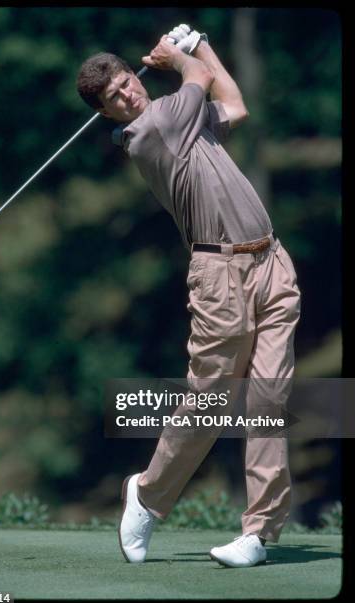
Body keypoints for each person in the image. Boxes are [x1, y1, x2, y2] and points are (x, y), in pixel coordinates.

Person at [77, 24, 301, 567]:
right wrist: (180, 55)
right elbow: (200, 80)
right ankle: (148, 496)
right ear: (108, 114)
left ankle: (259, 533)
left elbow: (235, 104)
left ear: (135, 75)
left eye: (129, 82)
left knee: (268, 402)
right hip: (219, 278)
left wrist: (200, 46)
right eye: (116, 98)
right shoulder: (152, 129)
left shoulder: (182, 118)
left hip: (271, 261)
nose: (129, 94)